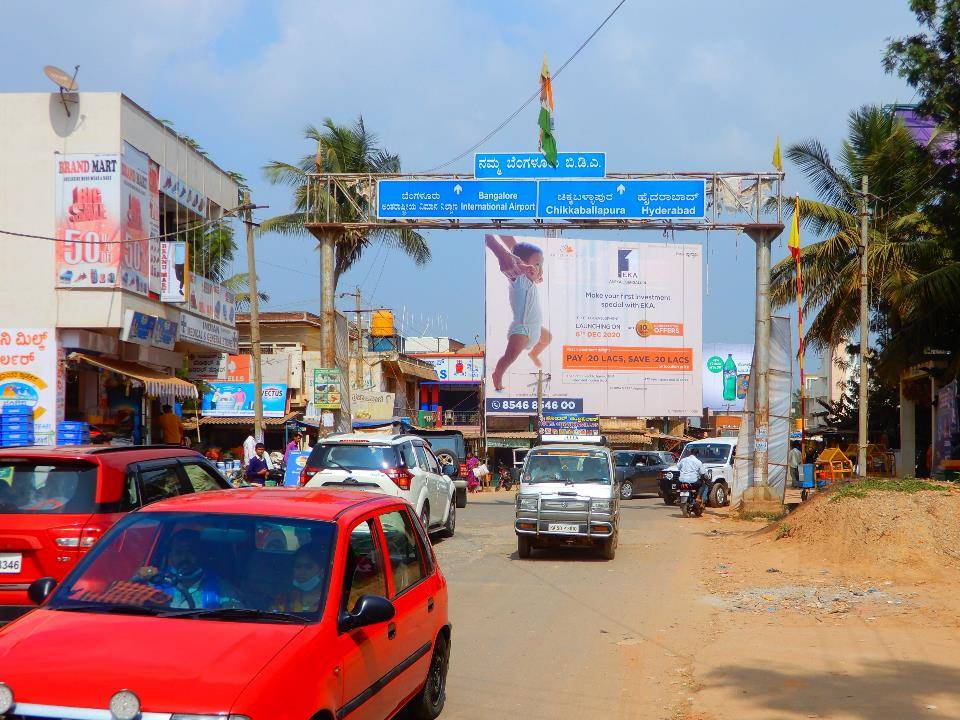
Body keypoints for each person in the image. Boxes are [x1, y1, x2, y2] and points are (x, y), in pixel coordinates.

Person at [486, 235, 552, 391]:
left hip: (535, 327)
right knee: (510, 357)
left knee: (547, 338)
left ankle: (534, 354)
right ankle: (498, 375)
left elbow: (534, 275)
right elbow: (515, 266)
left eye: (540, 265)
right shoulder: (518, 279)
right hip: (522, 329)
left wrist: (535, 274)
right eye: (536, 264)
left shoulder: (531, 281)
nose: (539, 268)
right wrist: (525, 268)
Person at [133, 529, 241, 610]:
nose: (184, 558)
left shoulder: (221, 589)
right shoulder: (154, 583)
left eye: (191, 552)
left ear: (201, 554)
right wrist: (137, 578)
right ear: (169, 555)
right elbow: (125, 604)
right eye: (178, 553)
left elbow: (236, 617)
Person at [273, 543, 328, 613]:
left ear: (322, 572)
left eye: (308, 567)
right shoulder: (284, 599)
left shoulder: (329, 601)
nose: (302, 572)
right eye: (298, 566)